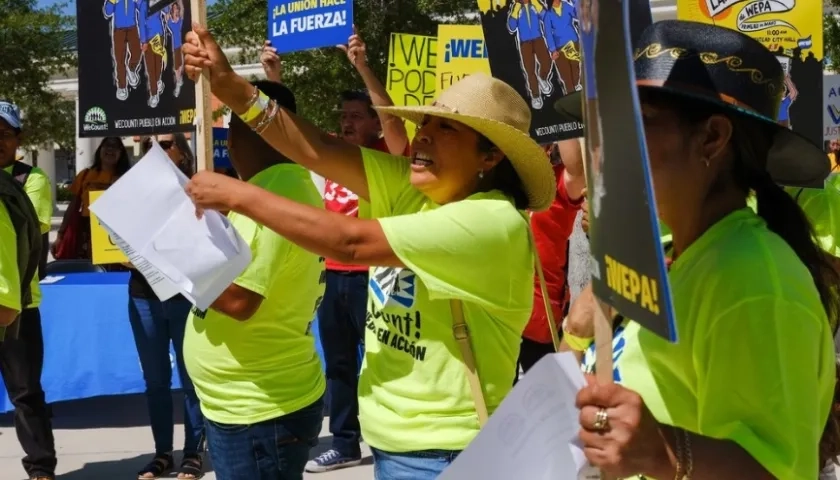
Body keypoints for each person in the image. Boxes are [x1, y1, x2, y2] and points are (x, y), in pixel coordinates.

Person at [181, 25, 555, 479]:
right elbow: (317, 147)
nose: (423, 136)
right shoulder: (415, 188)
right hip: (396, 447)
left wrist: (237, 196)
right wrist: (232, 88)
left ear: (490, 157)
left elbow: (350, 242)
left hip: (448, 455)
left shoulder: (492, 222)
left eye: (446, 128)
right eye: (425, 123)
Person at [557, 21, 838, 479]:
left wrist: (664, 453)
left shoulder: (752, 281)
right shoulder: (686, 259)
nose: (604, 147)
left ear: (711, 138)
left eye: (634, 121)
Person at [182, 80, 326, 480]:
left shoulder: (276, 192)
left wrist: (166, 251)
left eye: (233, 129)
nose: (229, 143)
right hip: (251, 404)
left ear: (253, 130)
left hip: (260, 409)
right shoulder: (274, 189)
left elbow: (238, 300)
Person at [306, 27, 409, 473]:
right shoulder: (334, 156)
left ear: (371, 121)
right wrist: (274, 74)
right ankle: (346, 442)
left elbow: (394, 121)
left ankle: (393, 436)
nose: (347, 122)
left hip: (376, 274)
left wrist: (363, 66)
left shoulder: (387, 154)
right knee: (340, 365)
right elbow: (293, 133)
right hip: (333, 276)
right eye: (343, 115)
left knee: (385, 359)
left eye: (355, 115)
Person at [132, 134, 204, 480]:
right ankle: (162, 453)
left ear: (182, 150)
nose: (155, 150)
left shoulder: (195, 188)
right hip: (142, 294)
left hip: (181, 294)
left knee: (190, 379)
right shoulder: (130, 190)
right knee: (156, 381)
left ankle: (193, 453)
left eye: (164, 143)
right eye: (147, 145)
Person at [0, 103, 55, 480]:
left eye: (5, 134)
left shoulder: (31, 179)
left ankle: (40, 468)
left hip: (19, 305)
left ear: (19, 140)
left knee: (25, 393)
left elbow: (28, 226)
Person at [518, 138, 584, 378]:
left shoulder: (558, 184)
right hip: (498, 309)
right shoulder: (501, 182)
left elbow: (577, 169)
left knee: (548, 399)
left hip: (539, 312)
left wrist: (558, 118)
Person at [55, 137, 131, 260]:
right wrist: (60, 234)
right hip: (86, 232)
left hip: (116, 234)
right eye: (107, 145)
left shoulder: (128, 178)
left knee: (114, 274)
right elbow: (73, 205)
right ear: (100, 150)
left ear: (121, 153)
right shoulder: (85, 175)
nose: (110, 149)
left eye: (115, 147)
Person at [507, 0, 554, 109]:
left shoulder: (535, 4)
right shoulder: (517, 8)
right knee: (530, 70)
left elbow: (545, 17)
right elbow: (512, 27)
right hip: (525, 43)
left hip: (538, 39)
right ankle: (536, 96)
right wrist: (516, 8)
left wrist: (536, 3)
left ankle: (542, 78)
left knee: (547, 60)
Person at [103, 0, 142, 101]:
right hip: (119, 29)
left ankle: (131, 68)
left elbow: (142, 8)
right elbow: (107, 12)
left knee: (137, 51)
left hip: (132, 27)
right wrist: (111, 1)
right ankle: (121, 87)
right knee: (119, 59)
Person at [139, 0, 167, 108]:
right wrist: (144, 41)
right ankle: (154, 94)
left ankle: (158, 80)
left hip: (159, 36)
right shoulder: (143, 4)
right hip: (149, 39)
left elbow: (166, 9)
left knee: (159, 64)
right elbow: (141, 22)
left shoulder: (157, 2)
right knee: (151, 68)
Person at [164, 1, 186, 98]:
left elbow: (182, 9)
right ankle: (179, 81)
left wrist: (179, 2)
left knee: (180, 65)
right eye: (174, 8)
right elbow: (167, 14)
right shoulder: (170, 22)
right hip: (175, 46)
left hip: (181, 45)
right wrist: (170, 6)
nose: (176, 10)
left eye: (177, 8)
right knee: (176, 68)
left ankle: (179, 82)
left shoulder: (180, 20)